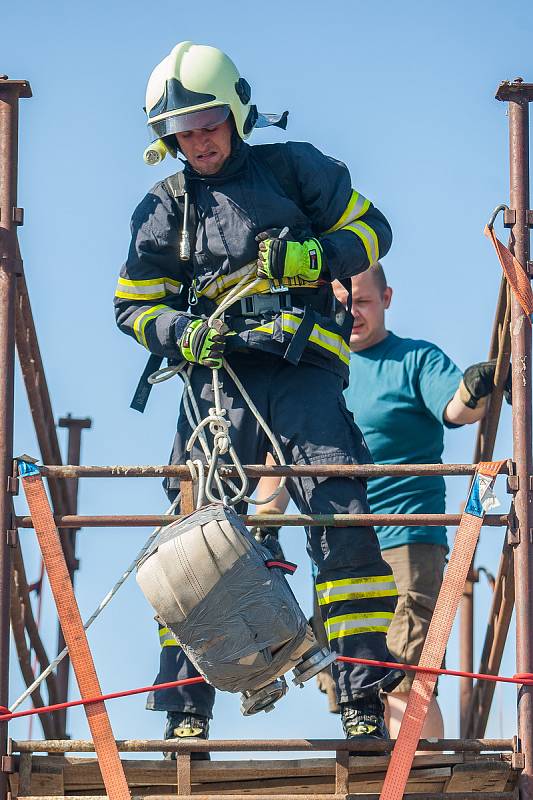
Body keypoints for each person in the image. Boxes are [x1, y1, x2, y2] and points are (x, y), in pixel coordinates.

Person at [114, 41, 404, 751]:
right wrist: (179, 331)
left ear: (236, 113)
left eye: (207, 122)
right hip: (214, 385)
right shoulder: (164, 207)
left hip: (302, 373)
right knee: (192, 542)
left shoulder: (295, 168)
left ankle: (360, 694)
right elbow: (132, 305)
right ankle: (188, 710)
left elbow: (374, 228)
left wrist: (320, 257)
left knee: (339, 514)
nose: (197, 139)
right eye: (180, 131)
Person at [256, 261, 510, 738]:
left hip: (405, 543)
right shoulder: (310, 374)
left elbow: (458, 408)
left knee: (405, 678)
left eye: (363, 301)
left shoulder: (414, 360)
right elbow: (281, 455)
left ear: (387, 298)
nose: (351, 312)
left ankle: (421, 785)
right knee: (357, 693)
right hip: (335, 553)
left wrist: (477, 386)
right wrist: (264, 523)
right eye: (340, 301)